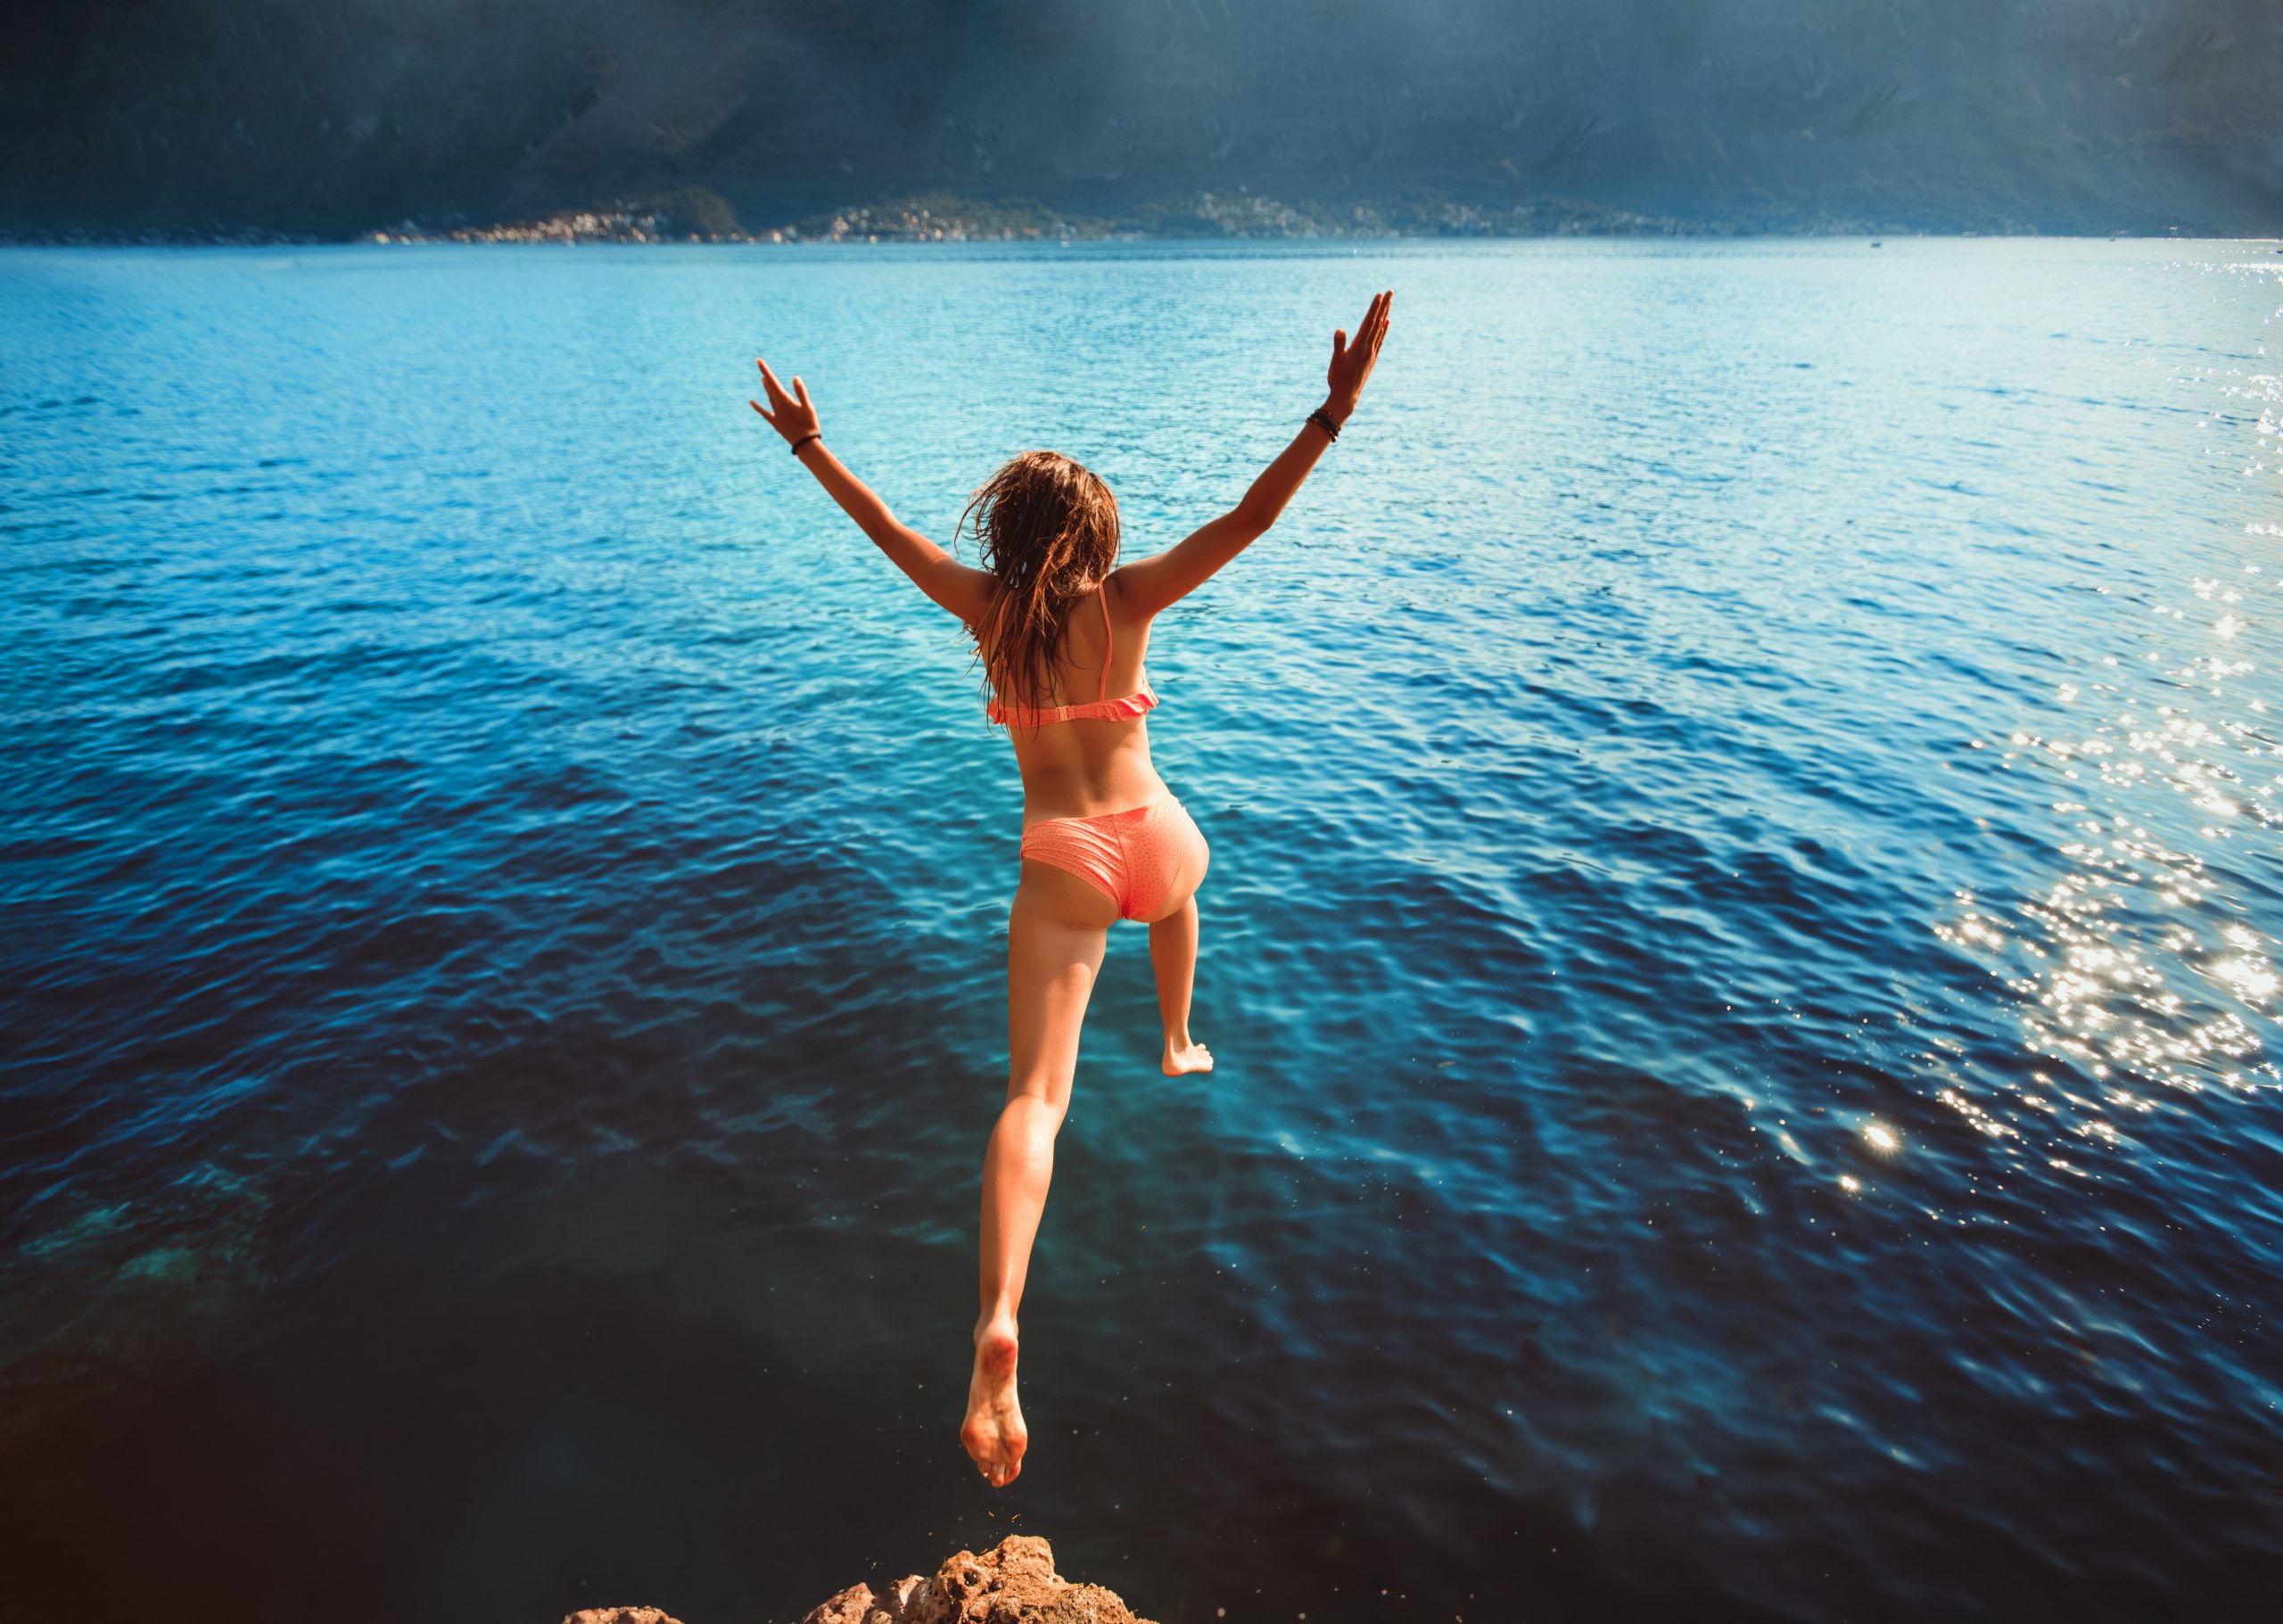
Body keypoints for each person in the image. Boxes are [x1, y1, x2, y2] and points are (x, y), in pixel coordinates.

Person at [749, 289, 1394, 1487]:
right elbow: (1250, 517)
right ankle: (1178, 1033)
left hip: (1065, 861)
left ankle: (1000, 1316)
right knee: (1185, 881)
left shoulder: (987, 611)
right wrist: (1332, 413)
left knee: (1035, 1100)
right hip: (1158, 835)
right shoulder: (1130, 600)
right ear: (1097, 532)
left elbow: (885, 531)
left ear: (1008, 534)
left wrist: (808, 443)